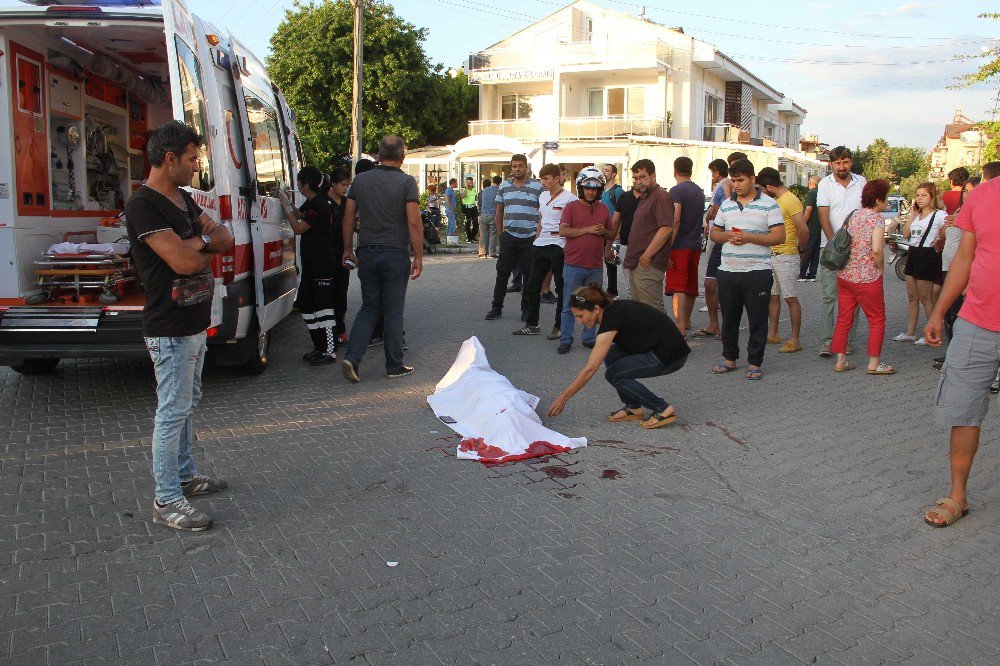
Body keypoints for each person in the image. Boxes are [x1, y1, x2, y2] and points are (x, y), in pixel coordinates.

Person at [125, 120, 234, 531]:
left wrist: (197, 244)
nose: (196, 167)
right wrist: (200, 246)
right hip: (169, 328)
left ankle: (185, 478)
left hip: (193, 323)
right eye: (191, 159)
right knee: (172, 411)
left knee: (188, 405)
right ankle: (166, 498)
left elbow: (224, 238)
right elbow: (185, 262)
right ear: (169, 159)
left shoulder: (184, 200)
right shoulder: (144, 205)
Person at [921, 167, 1000, 527]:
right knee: (963, 411)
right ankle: (958, 496)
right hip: (976, 322)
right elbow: (964, 259)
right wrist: (938, 312)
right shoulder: (982, 195)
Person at [547, 283, 690, 429]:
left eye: (580, 316)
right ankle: (633, 407)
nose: (579, 321)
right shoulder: (611, 310)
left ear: (596, 309)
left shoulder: (611, 320)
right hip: (656, 346)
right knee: (610, 355)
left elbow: (590, 369)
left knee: (614, 374)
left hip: (671, 356)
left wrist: (563, 397)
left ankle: (662, 408)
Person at [340, 136, 423, 382]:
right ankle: (394, 365)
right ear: (403, 156)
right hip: (395, 253)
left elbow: (348, 217)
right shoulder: (407, 182)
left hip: (367, 251)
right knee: (394, 310)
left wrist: (347, 248)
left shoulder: (360, 180)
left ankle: (353, 358)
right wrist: (418, 256)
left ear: (378, 154)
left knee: (369, 307)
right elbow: (414, 222)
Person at [709, 158, 784, 380]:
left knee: (757, 319)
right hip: (729, 271)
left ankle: (754, 362)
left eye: (740, 180)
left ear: (753, 179)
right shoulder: (726, 204)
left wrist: (748, 237)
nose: (736, 185)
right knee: (730, 317)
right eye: (733, 181)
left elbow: (779, 236)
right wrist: (728, 236)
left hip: (757, 272)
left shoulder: (769, 204)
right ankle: (729, 359)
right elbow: (714, 234)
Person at [830, 180, 894, 375]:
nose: (887, 202)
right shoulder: (877, 219)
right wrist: (881, 268)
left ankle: (841, 360)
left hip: (845, 275)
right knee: (876, 319)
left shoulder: (853, 215)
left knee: (843, 319)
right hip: (867, 277)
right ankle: (874, 363)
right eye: (886, 198)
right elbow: (876, 249)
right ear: (878, 200)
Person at [277, 166, 339, 365]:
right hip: (311, 264)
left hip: (322, 263)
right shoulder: (311, 203)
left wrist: (285, 205)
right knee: (305, 303)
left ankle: (330, 350)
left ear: (306, 184)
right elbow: (300, 214)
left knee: (324, 308)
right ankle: (319, 346)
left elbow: (298, 227)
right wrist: (288, 203)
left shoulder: (321, 204)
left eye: (299, 183)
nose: (298, 187)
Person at [557, 167, 616, 354]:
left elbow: (611, 232)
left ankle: (589, 338)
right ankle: (566, 339)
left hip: (595, 266)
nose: (590, 192)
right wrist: (588, 229)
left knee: (594, 305)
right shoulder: (571, 207)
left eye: (595, 189)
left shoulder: (603, 208)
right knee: (568, 303)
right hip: (573, 265)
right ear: (581, 188)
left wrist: (602, 232)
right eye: (587, 188)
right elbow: (564, 231)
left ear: (600, 190)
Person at [513, 163, 575, 338]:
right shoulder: (542, 196)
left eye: (546, 178)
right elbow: (541, 219)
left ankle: (560, 326)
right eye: (541, 178)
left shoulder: (570, 199)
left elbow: (574, 223)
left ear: (557, 178)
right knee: (532, 285)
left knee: (562, 287)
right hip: (541, 244)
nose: (543, 182)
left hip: (559, 245)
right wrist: (536, 238)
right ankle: (532, 325)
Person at [817, 146, 866, 356]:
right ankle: (827, 341)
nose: (841, 167)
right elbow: (823, 215)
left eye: (845, 162)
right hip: (830, 249)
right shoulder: (825, 184)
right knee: (829, 296)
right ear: (831, 164)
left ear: (850, 162)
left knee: (853, 298)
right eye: (837, 163)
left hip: (856, 251)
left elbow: (866, 213)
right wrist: (834, 244)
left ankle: (847, 340)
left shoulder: (861, 182)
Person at [485, 154, 543, 321]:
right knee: (502, 273)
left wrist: (537, 234)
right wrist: (500, 234)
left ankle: (526, 310)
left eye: (520, 166)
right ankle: (496, 307)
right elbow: (499, 211)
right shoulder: (504, 186)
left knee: (529, 276)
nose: (517, 169)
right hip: (509, 236)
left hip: (530, 238)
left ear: (526, 167)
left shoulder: (537, 187)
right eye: (514, 166)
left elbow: (542, 213)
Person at [757, 167, 808, 353]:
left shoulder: (791, 200)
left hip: (787, 255)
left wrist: (800, 249)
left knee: (791, 298)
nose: (762, 193)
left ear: (769, 187)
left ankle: (795, 339)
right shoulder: (778, 200)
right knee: (773, 296)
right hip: (773, 254)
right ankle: (773, 333)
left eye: (762, 189)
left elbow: (803, 229)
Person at [893, 182, 944, 345]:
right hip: (913, 253)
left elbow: (945, 232)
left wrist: (940, 239)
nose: (920, 198)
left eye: (924, 195)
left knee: (925, 297)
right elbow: (906, 234)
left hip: (927, 255)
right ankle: (910, 332)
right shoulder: (916, 214)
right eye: (917, 195)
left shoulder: (939, 215)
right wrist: (912, 216)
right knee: (912, 296)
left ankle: (932, 333)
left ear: (932, 197)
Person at [622, 159, 674, 311]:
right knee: (640, 313)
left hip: (647, 265)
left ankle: (665, 336)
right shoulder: (645, 198)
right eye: (636, 178)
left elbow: (666, 228)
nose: (639, 182)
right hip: (637, 263)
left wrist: (647, 256)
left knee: (653, 313)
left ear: (653, 176)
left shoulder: (661, 195)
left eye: (643, 177)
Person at [665, 156, 704, 336]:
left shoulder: (676, 190)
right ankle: (686, 321)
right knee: (690, 285)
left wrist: (667, 246)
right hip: (695, 243)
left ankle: (679, 327)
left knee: (677, 287)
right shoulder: (699, 190)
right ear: (691, 170)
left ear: (674, 170)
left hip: (679, 244)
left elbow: (676, 217)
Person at [693, 158, 731, 338]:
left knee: (724, 285)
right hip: (718, 237)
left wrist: (707, 218)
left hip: (724, 238)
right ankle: (714, 325)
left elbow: (714, 209)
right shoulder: (727, 185)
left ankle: (724, 327)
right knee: (710, 282)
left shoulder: (723, 184)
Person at [328, 168, 353, 342]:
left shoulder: (346, 203)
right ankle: (331, 329)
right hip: (327, 252)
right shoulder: (323, 202)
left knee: (341, 291)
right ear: (333, 183)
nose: (345, 188)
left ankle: (341, 329)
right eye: (343, 185)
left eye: (347, 185)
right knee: (328, 293)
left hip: (343, 251)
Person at [601, 163, 625, 297]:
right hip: (600, 232)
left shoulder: (617, 191)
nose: (604, 173)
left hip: (613, 234)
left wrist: (617, 233)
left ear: (614, 174)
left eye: (607, 171)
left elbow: (621, 214)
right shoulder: (601, 191)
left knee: (611, 262)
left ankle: (612, 291)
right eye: (603, 170)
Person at [799, 176, 822, 281]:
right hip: (819, 227)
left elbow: (808, 210)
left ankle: (802, 274)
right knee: (815, 252)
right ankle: (812, 275)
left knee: (807, 250)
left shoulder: (812, 193)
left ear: (810, 183)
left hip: (810, 227)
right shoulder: (822, 193)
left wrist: (802, 224)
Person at [480, 175, 502, 258]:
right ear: (500, 182)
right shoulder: (499, 191)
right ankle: (491, 253)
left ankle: (483, 252)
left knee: (484, 234)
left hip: (483, 214)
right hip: (493, 214)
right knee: (493, 233)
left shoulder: (485, 190)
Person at [461, 176, 478, 243]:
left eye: (471, 183)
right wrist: (466, 189)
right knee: (467, 223)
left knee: (476, 223)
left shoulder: (474, 189)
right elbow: (462, 196)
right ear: (466, 183)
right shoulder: (464, 189)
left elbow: (475, 197)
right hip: (467, 208)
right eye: (468, 183)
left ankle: (473, 236)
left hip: (473, 207)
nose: (470, 184)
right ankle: (468, 238)